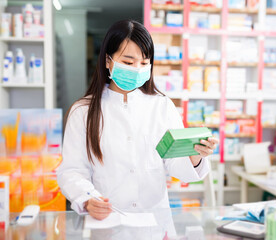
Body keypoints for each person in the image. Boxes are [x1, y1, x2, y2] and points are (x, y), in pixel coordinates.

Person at [57, 20, 218, 220]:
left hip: (154, 222)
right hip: (107, 221)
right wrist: (88, 198)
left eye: (143, 63)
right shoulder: (83, 112)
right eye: (127, 62)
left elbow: (175, 163)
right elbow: (72, 170)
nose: (136, 69)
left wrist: (195, 157)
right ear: (108, 60)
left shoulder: (162, 106)